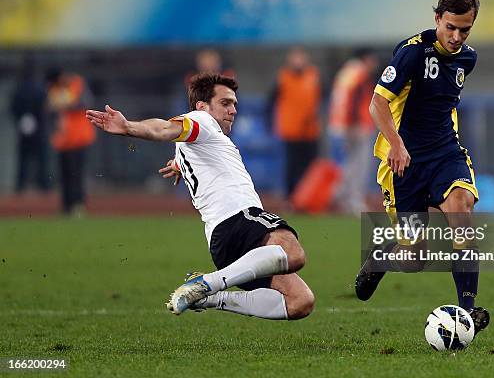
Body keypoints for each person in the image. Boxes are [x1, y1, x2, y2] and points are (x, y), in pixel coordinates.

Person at [86, 73, 315, 320]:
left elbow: (186, 147)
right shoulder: (201, 120)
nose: (233, 110)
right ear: (202, 106)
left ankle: (208, 297)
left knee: (300, 301)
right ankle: (207, 283)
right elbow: (163, 128)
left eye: (235, 104)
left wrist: (179, 165)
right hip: (239, 218)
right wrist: (129, 127)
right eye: (226, 103)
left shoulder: (197, 142)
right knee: (292, 251)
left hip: (222, 241)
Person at [354, 0, 489, 335]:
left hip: (446, 153)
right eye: (451, 27)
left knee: (462, 212)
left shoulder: (468, 59)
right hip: (405, 162)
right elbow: (377, 104)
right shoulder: (411, 53)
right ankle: (379, 259)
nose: (457, 37)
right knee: (414, 256)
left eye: (465, 30)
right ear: (437, 19)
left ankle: (468, 312)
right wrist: (397, 145)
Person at [328, 48, 379, 215]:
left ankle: (341, 196)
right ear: (366, 59)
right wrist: (355, 124)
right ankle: (352, 200)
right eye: (372, 60)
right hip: (354, 126)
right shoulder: (360, 73)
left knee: (349, 163)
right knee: (359, 165)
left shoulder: (346, 72)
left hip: (340, 124)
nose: (374, 64)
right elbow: (355, 100)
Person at [269, 47, 321, 197]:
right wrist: (271, 122)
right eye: (295, 58)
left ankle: (309, 197)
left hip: (311, 130)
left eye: (301, 57)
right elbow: (271, 100)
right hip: (291, 130)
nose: (298, 61)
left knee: (310, 167)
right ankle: (290, 198)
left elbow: (321, 99)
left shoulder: (314, 75)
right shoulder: (283, 77)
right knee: (292, 166)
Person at [47, 68, 96, 216]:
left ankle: (78, 205)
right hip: (63, 140)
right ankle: (66, 206)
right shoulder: (54, 89)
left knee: (77, 173)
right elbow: (50, 109)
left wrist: (67, 105)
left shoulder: (78, 84)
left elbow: (85, 103)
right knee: (65, 174)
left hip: (80, 138)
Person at [10, 57, 50, 193]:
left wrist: (21, 120)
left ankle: (20, 187)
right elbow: (45, 108)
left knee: (24, 159)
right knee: (40, 159)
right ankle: (43, 186)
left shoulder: (19, 88)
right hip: (38, 128)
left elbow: (13, 108)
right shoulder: (39, 88)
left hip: (25, 128)